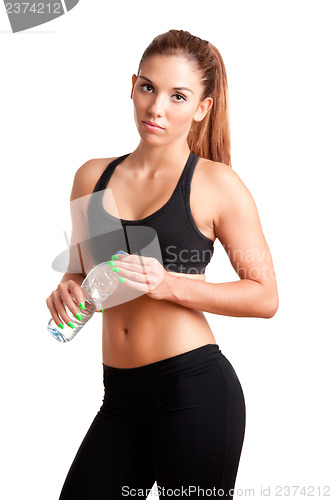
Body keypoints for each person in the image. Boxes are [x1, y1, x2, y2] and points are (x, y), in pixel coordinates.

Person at [46, 29, 279, 499]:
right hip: (119, 397)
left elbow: (265, 295)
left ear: (201, 108)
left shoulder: (216, 184)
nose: (156, 108)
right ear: (132, 85)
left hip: (194, 390)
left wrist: (169, 284)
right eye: (148, 88)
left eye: (178, 96)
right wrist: (67, 290)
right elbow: (80, 270)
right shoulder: (92, 176)